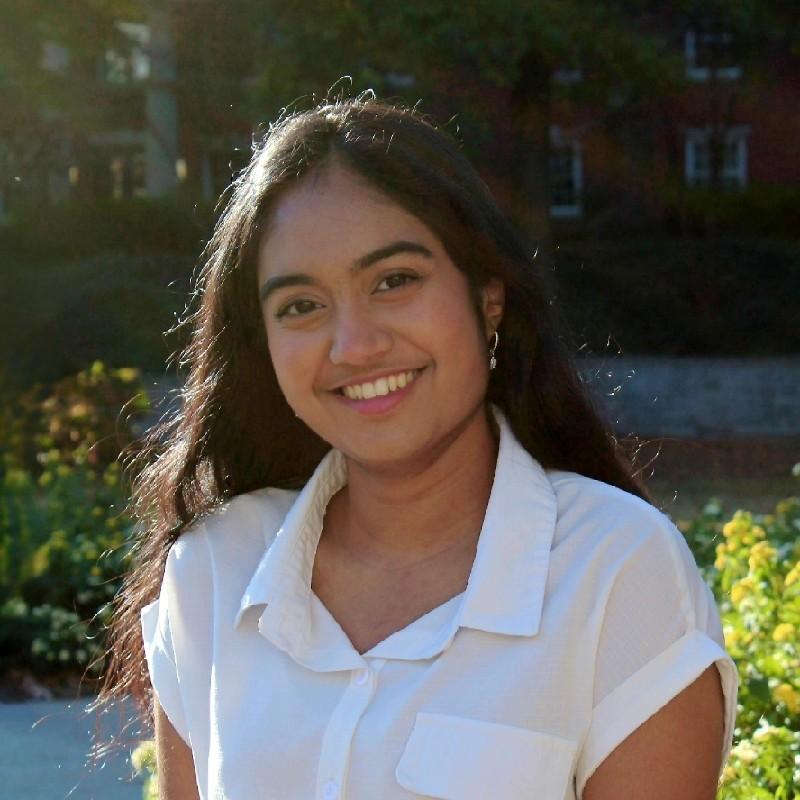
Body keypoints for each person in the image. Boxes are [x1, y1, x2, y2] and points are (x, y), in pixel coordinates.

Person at [99, 93, 738, 799]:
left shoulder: (615, 571)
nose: (354, 345)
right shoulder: (215, 569)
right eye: (301, 306)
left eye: (394, 281)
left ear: (488, 298)